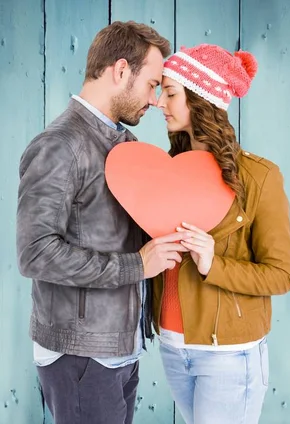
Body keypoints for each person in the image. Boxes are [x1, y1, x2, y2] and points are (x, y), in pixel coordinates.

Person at [16, 21, 189, 424]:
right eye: (151, 84)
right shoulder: (60, 145)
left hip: (120, 348)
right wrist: (136, 266)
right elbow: (35, 252)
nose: (156, 100)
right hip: (81, 355)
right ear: (121, 70)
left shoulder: (125, 146)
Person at [153, 43, 290, 423]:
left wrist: (213, 263)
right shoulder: (167, 172)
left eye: (169, 93)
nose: (159, 103)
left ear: (199, 98)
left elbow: (281, 275)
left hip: (228, 356)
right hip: (172, 347)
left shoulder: (259, 177)